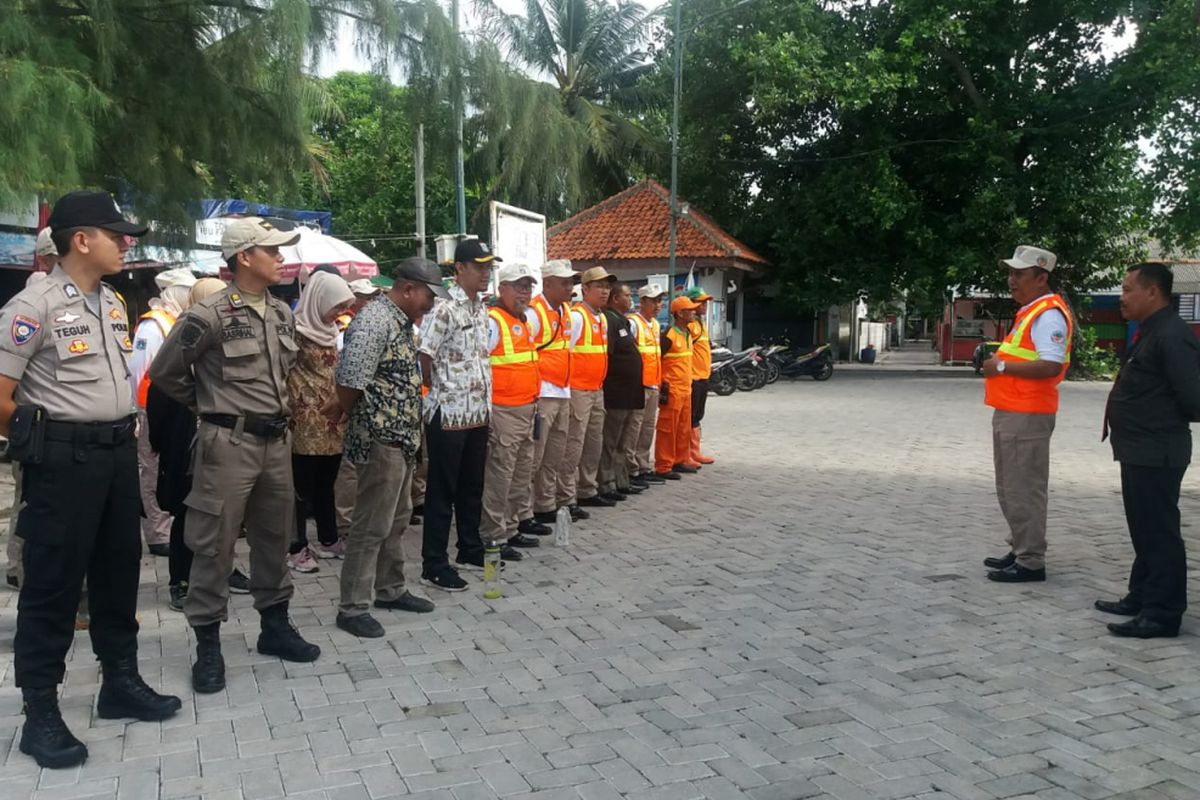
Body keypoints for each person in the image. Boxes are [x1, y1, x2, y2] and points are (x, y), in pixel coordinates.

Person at [0, 191, 181, 768]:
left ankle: (119, 681)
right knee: (53, 584)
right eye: (116, 233)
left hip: (113, 455)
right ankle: (40, 712)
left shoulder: (111, 302)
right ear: (81, 239)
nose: (126, 243)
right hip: (62, 461)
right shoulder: (33, 307)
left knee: (117, 570)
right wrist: (39, 438)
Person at [150, 217, 321, 694]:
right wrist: (211, 405)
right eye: (273, 251)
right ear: (245, 257)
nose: (282, 258)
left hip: (276, 444)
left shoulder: (282, 314)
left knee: (274, 536)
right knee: (214, 543)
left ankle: (275, 627)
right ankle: (208, 645)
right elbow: (167, 373)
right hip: (228, 445)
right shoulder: (208, 315)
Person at [334, 260, 445, 638]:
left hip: (402, 437)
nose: (431, 304)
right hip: (380, 438)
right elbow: (350, 382)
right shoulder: (374, 322)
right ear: (409, 288)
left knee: (397, 518)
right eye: (429, 296)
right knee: (371, 524)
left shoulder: (398, 322)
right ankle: (352, 607)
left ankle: (390, 588)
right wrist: (356, 418)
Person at [1098, 263, 1200, 638]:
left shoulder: (1172, 336)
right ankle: (1141, 595)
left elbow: (1194, 399)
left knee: (1159, 533)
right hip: (1141, 448)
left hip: (1157, 449)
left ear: (1152, 292)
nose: (1122, 298)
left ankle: (1162, 612)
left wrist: (1154, 417)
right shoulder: (1152, 331)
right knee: (1144, 528)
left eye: (1127, 290)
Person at [981, 245, 1073, 583]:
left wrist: (1000, 366)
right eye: (1010, 273)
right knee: (1010, 486)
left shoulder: (1048, 314)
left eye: (1019, 274)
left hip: (1028, 414)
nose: (1011, 280)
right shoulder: (1031, 311)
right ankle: (1021, 546)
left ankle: (1031, 560)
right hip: (1013, 411)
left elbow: (1049, 365)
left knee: (1024, 488)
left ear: (1041, 276)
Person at [146, 277, 229, 612]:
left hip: (222, 447)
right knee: (186, 516)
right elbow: (159, 394)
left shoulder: (224, 342)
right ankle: (180, 581)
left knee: (223, 516)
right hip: (185, 451)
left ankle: (222, 572)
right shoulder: (183, 337)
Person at [419, 239, 496, 591]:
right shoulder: (444, 308)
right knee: (441, 491)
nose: (485, 272)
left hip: (478, 413)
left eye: (488, 266)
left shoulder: (481, 308)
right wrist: (440, 389)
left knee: (471, 487)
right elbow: (425, 354)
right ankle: (434, 563)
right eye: (479, 266)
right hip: (449, 414)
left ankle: (469, 547)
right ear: (459, 268)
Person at [287, 271, 355, 573]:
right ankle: (296, 547)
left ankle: (328, 539)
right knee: (300, 488)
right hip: (303, 422)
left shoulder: (330, 330)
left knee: (327, 483)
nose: (339, 313)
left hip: (331, 421)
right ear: (319, 299)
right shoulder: (294, 331)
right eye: (336, 305)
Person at [129, 267, 197, 556]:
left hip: (172, 411)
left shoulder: (176, 322)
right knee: (151, 469)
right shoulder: (153, 325)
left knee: (168, 468)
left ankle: (168, 526)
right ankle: (157, 533)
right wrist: (139, 412)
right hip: (150, 411)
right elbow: (139, 372)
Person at [4, 228, 57, 591]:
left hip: (51, 438)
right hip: (39, 434)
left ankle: (18, 568)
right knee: (32, 510)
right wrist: (24, 435)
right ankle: (26, 578)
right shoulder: (31, 304)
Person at [481, 263, 543, 555]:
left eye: (528, 286)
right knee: (500, 477)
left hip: (526, 408)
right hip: (504, 412)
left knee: (520, 473)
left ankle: (512, 526)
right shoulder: (493, 321)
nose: (524, 292)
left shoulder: (525, 321)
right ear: (501, 288)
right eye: (518, 286)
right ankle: (494, 535)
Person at [524, 260, 578, 527]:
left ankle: (545, 504)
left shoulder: (565, 311)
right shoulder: (534, 313)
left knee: (554, 454)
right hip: (543, 392)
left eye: (571, 282)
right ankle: (525, 510)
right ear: (547, 284)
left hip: (562, 391)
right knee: (535, 455)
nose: (569, 287)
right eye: (564, 282)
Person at [562, 267, 615, 512]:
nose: (605, 291)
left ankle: (587, 489)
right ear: (584, 289)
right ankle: (567, 496)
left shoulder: (601, 317)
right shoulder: (577, 316)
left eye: (607, 286)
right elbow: (565, 352)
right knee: (574, 445)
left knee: (594, 443)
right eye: (599, 286)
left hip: (597, 389)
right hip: (578, 391)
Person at [597, 282, 646, 500]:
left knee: (622, 441)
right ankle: (606, 483)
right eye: (627, 295)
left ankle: (620, 480)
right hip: (616, 391)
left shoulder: (622, 320)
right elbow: (609, 355)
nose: (630, 298)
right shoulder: (610, 320)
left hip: (629, 392)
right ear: (616, 299)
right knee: (610, 441)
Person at [656, 295, 700, 478]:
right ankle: (664, 466)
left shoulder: (688, 333)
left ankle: (680, 459)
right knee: (668, 429)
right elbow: (657, 361)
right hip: (672, 389)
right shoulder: (669, 335)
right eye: (690, 310)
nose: (694, 312)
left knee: (683, 428)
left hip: (686, 389)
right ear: (680, 314)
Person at [627, 284, 666, 487]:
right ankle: (631, 469)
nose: (658, 305)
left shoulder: (655, 325)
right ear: (642, 301)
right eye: (653, 300)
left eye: (660, 301)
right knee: (635, 428)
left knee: (648, 428)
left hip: (653, 384)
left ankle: (643, 466)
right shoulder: (633, 323)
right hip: (639, 386)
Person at [686, 286, 715, 466]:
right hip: (693, 378)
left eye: (705, 302)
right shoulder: (690, 326)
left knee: (697, 415)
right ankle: (688, 453)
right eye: (700, 302)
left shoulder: (701, 325)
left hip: (703, 376)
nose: (704, 305)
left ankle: (694, 451)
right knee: (691, 417)